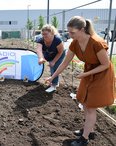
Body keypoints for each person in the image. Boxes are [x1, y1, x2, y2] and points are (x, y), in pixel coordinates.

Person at [45, 16, 115, 146]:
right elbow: (64, 63)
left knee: (90, 107)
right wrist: (53, 76)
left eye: (72, 32)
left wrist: (86, 74)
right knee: (83, 101)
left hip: (102, 74)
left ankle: (84, 139)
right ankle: (90, 131)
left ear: (82, 29)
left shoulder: (97, 43)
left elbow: (105, 64)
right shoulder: (75, 43)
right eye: (69, 32)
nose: (69, 35)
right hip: (88, 72)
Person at [36, 24, 66, 93]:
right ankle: (55, 81)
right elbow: (39, 50)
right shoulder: (41, 40)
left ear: (52, 33)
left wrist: (54, 61)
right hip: (50, 53)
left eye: (46, 34)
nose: (44, 36)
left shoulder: (57, 40)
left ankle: (54, 85)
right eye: (43, 34)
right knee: (52, 67)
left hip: (59, 54)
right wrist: (41, 58)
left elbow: (60, 51)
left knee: (55, 67)